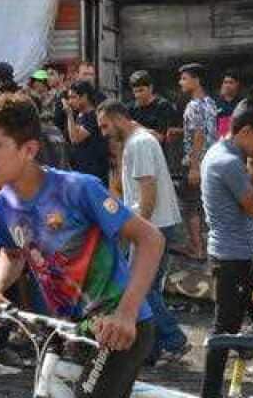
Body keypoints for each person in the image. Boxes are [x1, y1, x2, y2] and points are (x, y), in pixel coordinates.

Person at [0, 94, 163, 398]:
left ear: (29, 149)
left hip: (116, 327)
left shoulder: (77, 189)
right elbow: (12, 252)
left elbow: (150, 238)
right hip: (68, 329)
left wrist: (126, 313)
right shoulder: (4, 202)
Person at [96, 100, 189, 365]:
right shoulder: (137, 142)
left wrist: (138, 232)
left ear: (119, 118)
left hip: (153, 227)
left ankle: (173, 340)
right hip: (152, 226)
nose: (103, 133)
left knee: (143, 289)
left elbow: (147, 193)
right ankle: (157, 347)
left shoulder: (139, 143)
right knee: (146, 288)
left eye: (105, 126)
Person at [198, 98, 253, 398]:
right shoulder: (229, 163)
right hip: (231, 259)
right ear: (244, 131)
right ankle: (211, 393)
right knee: (225, 331)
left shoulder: (219, 151)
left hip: (234, 255)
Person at [179, 63, 218, 260]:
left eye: (185, 78)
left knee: (190, 206)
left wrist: (194, 167)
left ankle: (197, 248)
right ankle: (205, 246)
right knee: (204, 206)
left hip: (196, 163)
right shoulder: (210, 102)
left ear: (197, 80)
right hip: (210, 161)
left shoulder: (194, 105)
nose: (181, 82)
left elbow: (199, 134)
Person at [65, 80, 110, 185]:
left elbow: (75, 138)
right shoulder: (80, 115)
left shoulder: (93, 116)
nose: (70, 101)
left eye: (73, 97)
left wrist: (69, 115)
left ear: (84, 96)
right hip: (82, 171)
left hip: (95, 173)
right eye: (69, 98)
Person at [215, 71, 242, 137]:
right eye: (225, 82)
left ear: (237, 84)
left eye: (231, 82)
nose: (227, 85)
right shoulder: (215, 103)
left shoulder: (242, 103)